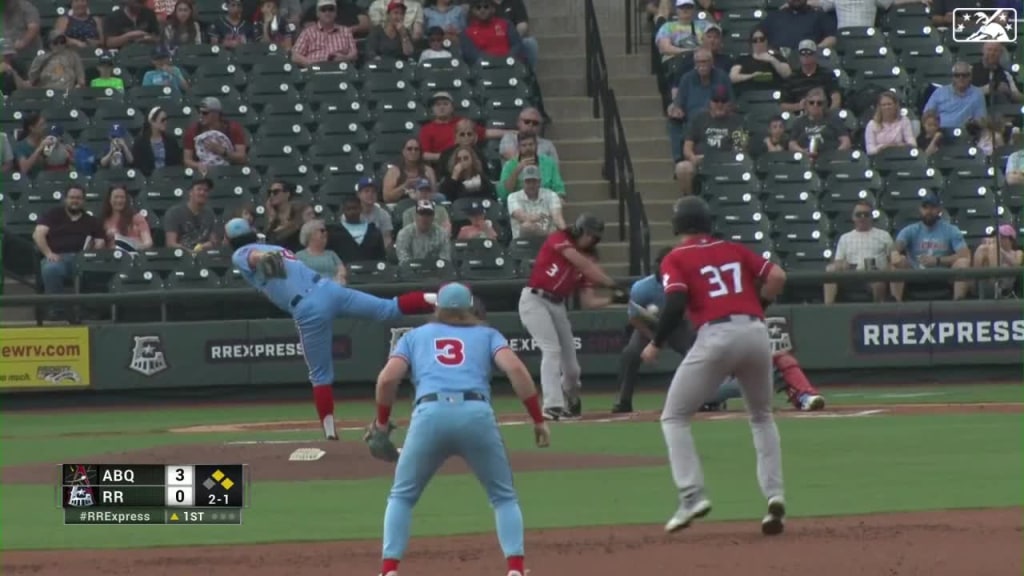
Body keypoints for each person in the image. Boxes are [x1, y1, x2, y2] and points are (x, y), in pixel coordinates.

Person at [370, 282, 550, 576]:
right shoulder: (488, 334)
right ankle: (515, 569)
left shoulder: (415, 336)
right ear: (470, 307)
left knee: (401, 497)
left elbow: (387, 380)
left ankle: (390, 569)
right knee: (503, 497)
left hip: (430, 414)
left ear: (437, 307)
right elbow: (516, 370)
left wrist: (381, 422)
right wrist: (537, 419)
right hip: (475, 414)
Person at [640, 195, 788, 536]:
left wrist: (656, 342)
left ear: (678, 226)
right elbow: (778, 276)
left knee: (674, 417)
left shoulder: (675, 257)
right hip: (754, 331)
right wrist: (757, 306)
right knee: (762, 417)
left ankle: (691, 495)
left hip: (716, 334)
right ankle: (774, 497)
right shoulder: (735, 249)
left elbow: (676, 300)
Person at [224, 217, 437, 440]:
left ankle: (330, 433)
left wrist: (263, 258)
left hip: (308, 307)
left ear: (230, 240)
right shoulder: (275, 246)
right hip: (329, 289)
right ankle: (438, 298)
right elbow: (261, 254)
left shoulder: (242, 252)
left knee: (320, 375)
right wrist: (266, 255)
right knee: (389, 308)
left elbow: (250, 256)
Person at [614, 247, 825, 414]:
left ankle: (799, 392)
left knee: (706, 383)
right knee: (752, 371)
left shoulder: (696, 283)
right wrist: (655, 340)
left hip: (696, 330)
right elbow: (634, 317)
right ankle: (626, 400)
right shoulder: (644, 288)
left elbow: (689, 314)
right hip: (667, 329)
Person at [518, 214, 625, 421]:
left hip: (558, 305)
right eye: (589, 235)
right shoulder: (560, 237)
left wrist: (615, 299)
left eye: (594, 237)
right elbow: (584, 264)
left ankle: (572, 400)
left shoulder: (587, 260)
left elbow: (589, 302)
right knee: (551, 350)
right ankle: (552, 405)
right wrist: (613, 284)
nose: (591, 240)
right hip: (534, 300)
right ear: (579, 230)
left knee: (573, 370)